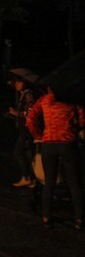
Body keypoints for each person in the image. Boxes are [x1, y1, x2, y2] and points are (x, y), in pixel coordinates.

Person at [26, 86, 84, 229]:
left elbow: (30, 120)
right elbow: (83, 120)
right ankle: (79, 220)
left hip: (49, 144)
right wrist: (74, 129)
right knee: (73, 182)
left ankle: (46, 217)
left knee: (49, 182)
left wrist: (38, 135)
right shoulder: (73, 100)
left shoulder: (43, 100)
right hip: (68, 143)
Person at [9, 78, 37, 187]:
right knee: (29, 154)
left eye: (19, 82)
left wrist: (17, 113)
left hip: (27, 130)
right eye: (15, 82)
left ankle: (27, 176)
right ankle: (32, 178)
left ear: (24, 82)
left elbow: (30, 112)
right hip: (24, 130)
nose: (16, 84)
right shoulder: (21, 95)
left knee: (18, 152)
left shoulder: (28, 95)